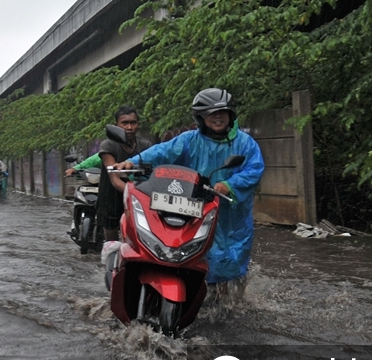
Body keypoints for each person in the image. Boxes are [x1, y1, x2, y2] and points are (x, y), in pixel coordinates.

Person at [115, 88, 264, 289]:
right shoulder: (189, 140)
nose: (218, 118)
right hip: (193, 204)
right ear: (201, 117)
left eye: (222, 113)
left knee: (232, 263)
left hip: (231, 215)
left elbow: (254, 169)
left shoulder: (246, 143)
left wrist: (230, 185)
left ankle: (230, 303)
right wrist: (133, 162)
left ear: (231, 114)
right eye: (212, 113)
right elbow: (162, 152)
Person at [97, 106, 152, 242]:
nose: (129, 127)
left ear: (138, 125)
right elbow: (115, 179)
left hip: (140, 195)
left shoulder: (145, 145)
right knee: (112, 243)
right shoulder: (108, 145)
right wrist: (137, 195)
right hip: (112, 196)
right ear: (116, 126)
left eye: (133, 123)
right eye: (124, 123)